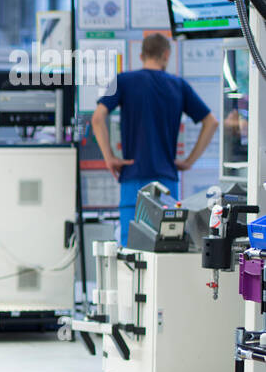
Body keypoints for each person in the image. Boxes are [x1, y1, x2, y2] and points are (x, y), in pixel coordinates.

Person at [91, 32, 219, 247]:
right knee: (165, 246)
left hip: (132, 179)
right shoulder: (178, 85)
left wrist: (109, 157)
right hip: (166, 182)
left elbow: (97, 118)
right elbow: (211, 122)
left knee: (129, 251)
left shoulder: (124, 81)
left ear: (142, 56)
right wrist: (189, 161)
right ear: (166, 55)